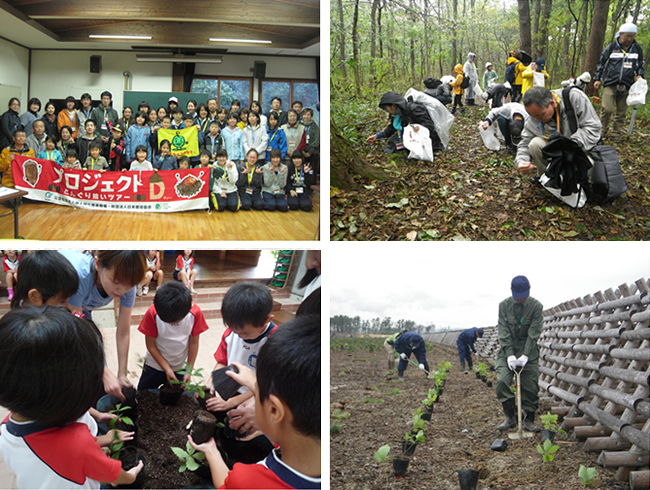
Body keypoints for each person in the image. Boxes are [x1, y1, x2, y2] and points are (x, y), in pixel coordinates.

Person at [0, 307, 144, 489]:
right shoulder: (78, 444)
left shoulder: (6, 428)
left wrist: (100, 425)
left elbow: (53, 448)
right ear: (70, 396)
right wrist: (131, 476)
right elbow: (114, 476)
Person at [188, 314, 320, 489]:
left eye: (255, 395)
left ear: (274, 410)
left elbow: (225, 485)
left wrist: (211, 450)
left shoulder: (249, 480)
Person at [60, 250, 146, 401]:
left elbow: (123, 331)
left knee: (98, 362)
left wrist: (121, 374)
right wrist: (105, 372)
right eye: (117, 282)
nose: (123, 290)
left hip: (82, 309)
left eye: (130, 284)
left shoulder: (128, 287)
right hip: (58, 304)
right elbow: (78, 332)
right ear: (98, 264)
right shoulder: (80, 277)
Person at [205, 282, 278, 414]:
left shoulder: (275, 342)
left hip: (257, 395)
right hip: (233, 389)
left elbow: (267, 385)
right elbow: (222, 361)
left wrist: (232, 402)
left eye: (245, 333)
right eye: (234, 330)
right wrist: (212, 380)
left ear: (267, 320)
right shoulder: (231, 333)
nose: (239, 336)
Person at [515, 86, 601, 179]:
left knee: (591, 165)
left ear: (552, 103)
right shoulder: (535, 115)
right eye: (532, 116)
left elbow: (593, 126)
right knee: (534, 144)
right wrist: (522, 160)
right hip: (555, 153)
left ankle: (578, 182)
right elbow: (525, 142)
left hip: (580, 150)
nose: (537, 119)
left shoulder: (573, 97)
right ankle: (547, 180)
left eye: (540, 115)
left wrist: (570, 145)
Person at [137, 281, 209, 391]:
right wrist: (167, 369)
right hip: (154, 364)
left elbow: (194, 342)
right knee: (144, 394)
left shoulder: (195, 313)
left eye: (174, 321)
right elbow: (151, 345)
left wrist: (189, 370)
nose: (169, 324)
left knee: (177, 397)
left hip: (179, 367)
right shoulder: (152, 312)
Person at [495, 276, 543, 432]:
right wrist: (509, 354)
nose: (521, 299)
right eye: (518, 295)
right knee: (502, 381)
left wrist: (525, 355)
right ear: (512, 291)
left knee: (530, 386)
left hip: (528, 352)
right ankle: (511, 417)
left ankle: (529, 419)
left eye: (524, 294)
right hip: (507, 351)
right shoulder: (504, 306)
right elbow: (503, 331)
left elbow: (533, 333)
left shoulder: (536, 306)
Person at [594, 22, 645, 143]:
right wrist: (597, 78)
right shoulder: (612, 47)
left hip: (627, 84)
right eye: (627, 36)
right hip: (610, 83)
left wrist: (639, 76)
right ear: (620, 35)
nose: (629, 39)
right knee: (607, 109)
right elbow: (601, 63)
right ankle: (602, 130)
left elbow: (640, 65)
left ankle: (617, 133)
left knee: (621, 112)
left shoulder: (637, 49)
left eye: (632, 36)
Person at [366, 90, 444, 153]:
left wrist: (419, 128)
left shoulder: (413, 109)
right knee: (391, 145)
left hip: (424, 137)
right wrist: (377, 136)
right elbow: (392, 127)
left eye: (387, 109)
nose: (387, 111)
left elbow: (429, 124)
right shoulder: (396, 113)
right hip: (408, 135)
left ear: (393, 106)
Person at [90, 91, 119, 156]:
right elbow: (92, 125)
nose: (105, 100)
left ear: (110, 100)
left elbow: (116, 127)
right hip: (98, 139)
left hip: (110, 140)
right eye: (104, 98)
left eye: (107, 99)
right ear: (101, 99)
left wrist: (110, 137)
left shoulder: (114, 112)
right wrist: (100, 136)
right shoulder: (95, 111)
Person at [301, 108, 320, 174]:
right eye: (304, 115)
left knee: (312, 170)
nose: (306, 116)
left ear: (311, 116)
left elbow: (316, 140)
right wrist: (302, 151)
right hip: (301, 151)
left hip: (313, 152)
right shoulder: (299, 125)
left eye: (308, 115)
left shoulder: (315, 126)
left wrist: (309, 152)